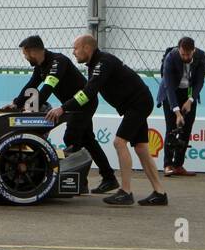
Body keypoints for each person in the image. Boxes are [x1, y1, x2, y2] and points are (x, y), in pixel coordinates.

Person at [46, 35, 167, 206]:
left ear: (87, 48)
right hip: (136, 104)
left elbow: (88, 93)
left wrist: (62, 108)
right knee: (141, 148)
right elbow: (89, 92)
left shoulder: (103, 63)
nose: (73, 52)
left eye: (76, 48)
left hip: (138, 104)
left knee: (119, 142)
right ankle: (160, 192)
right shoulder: (95, 64)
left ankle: (125, 192)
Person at [2, 35, 118, 194]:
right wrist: (16, 103)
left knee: (72, 138)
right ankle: (103, 179)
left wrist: (33, 108)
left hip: (84, 103)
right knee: (88, 140)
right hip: (72, 105)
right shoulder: (41, 66)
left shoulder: (58, 61)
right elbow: (32, 85)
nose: (25, 57)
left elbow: (48, 87)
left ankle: (85, 181)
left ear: (33, 52)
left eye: (25, 54)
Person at [157, 36, 205, 177]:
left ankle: (178, 165)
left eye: (188, 54)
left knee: (187, 128)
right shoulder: (171, 57)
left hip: (188, 94)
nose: (185, 57)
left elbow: (199, 82)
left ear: (193, 50)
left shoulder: (200, 56)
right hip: (171, 93)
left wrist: (190, 100)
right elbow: (169, 87)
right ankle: (167, 165)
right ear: (179, 50)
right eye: (183, 54)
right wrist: (177, 112)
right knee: (171, 128)